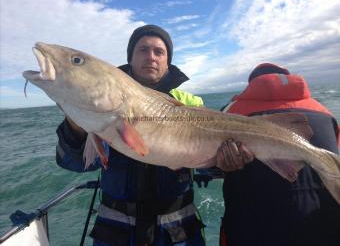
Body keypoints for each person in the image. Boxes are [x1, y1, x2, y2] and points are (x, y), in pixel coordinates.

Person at [55, 24, 240, 246]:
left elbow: (205, 166)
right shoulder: (102, 101)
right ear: (130, 58)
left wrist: (223, 163)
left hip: (178, 233)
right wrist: (75, 125)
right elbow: (77, 164)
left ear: (167, 61)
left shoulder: (191, 103)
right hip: (116, 234)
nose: (151, 57)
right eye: (142, 50)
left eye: (159, 52)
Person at [219, 63, 340, 246]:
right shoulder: (326, 113)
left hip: (255, 229)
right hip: (324, 226)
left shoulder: (230, 112)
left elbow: (215, 159)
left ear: (252, 85)